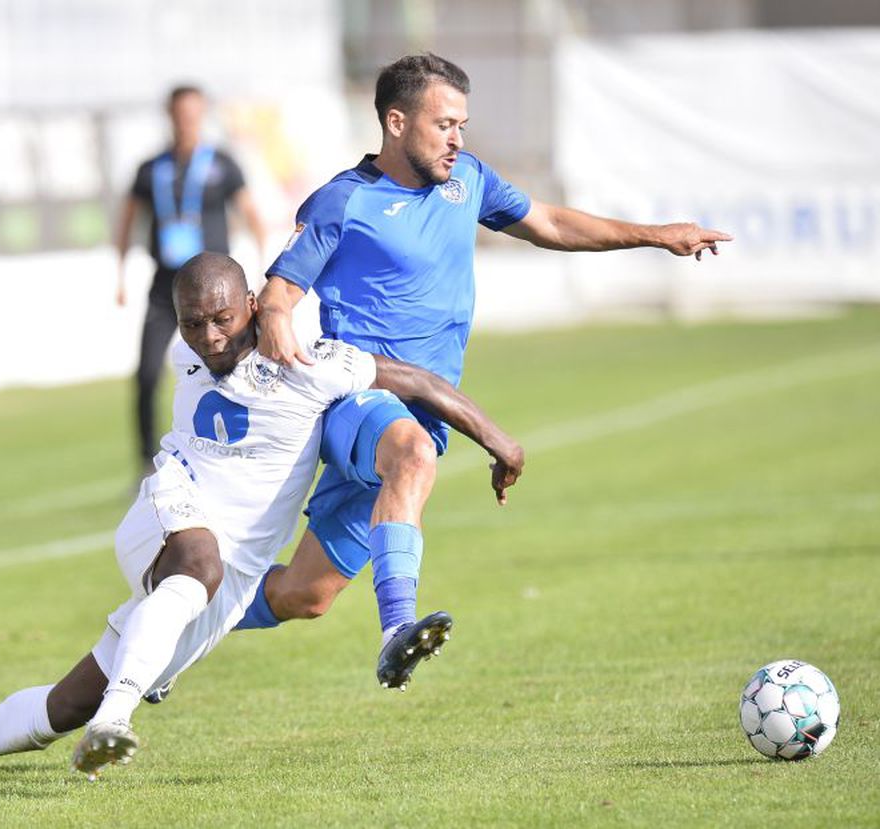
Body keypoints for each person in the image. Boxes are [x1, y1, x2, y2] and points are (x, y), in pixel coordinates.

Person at [0, 252, 523, 783]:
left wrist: (496, 438)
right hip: (170, 506)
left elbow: (414, 381)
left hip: (231, 569)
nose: (208, 335)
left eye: (222, 318)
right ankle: (116, 719)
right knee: (195, 565)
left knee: (65, 703)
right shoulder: (186, 354)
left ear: (253, 307)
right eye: (193, 322)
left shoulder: (311, 364)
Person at [233, 52, 734, 691]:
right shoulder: (343, 201)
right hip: (361, 400)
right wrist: (276, 321)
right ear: (395, 121)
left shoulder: (466, 181)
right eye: (443, 124)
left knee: (305, 595)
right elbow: (279, 292)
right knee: (413, 455)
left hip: (427, 408)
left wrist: (658, 234)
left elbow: (549, 222)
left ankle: (176, 626)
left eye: (461, 125)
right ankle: (396, 631)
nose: (457, 139)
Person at [114, 84, 267, 481]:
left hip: (216, 297)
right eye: (179, 115)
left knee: (235, 367)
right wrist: (120, 273)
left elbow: (252, 214)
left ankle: (240, 453)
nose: (186, 123)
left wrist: (260, 269)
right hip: (167, 291)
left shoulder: (221, 165)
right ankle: (146, 463)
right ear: (169, 116)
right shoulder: (151, 170)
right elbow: (127, 218)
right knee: (147, 374)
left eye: (193, 115)